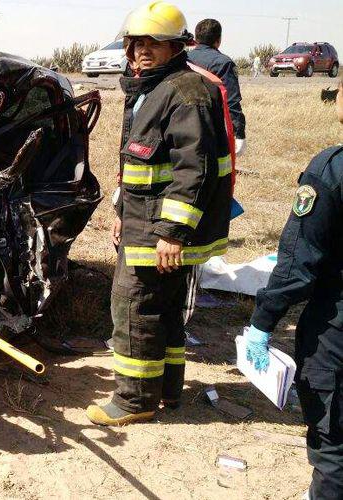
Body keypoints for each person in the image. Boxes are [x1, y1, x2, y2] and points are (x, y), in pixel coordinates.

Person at [86, 0, 233, 426]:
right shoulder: (153, 88)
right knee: (164, 309)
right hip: (142, 218)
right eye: (136, 43)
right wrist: (121, 210)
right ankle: (167, 389)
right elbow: (142, 167)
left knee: (133, 306)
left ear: (177, 46)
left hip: (160, 229)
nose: (142, 51)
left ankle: (134, 400)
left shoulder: (186, 93)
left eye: (154, 42)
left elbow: (195, 171)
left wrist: (172, 232)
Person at [243, 77, 343, 500]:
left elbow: (298, 263)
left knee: (333, 438)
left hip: (336, 329)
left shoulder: (331, 170)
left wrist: (262, 322)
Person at [187, 19, 247, 156]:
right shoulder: (224, 63)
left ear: (196, 38)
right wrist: (239, 133)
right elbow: (231, 101)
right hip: (211, 127)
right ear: (218, 40)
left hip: (182, 123)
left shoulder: (183, 58)